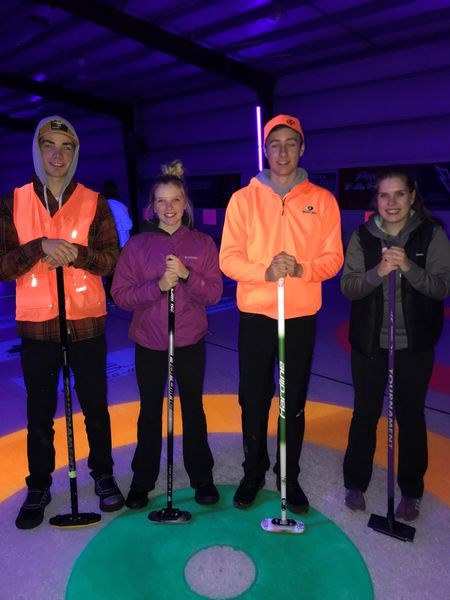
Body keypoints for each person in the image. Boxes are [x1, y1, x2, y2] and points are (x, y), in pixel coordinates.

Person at [0, 115, 125, 530]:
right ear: (37, 150)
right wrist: (39, 246)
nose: (58, 154)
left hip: (86, 321)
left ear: (75, 153)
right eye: (50, 145)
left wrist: (75, 252)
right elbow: (3, 266)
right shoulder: (12, 201)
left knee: (95, 406)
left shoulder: (94, 201)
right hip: (38, 326)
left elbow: (111, 258)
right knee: (39, 411)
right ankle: (38, 486)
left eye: (67, 146)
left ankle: (103, 475)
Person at [219, 114, 343, 513]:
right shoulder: (243, 199)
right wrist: (266, 272)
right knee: (253, 401)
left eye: (291, 143)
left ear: (302, 148)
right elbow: (228, 259)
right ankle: (253, 472)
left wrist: (303, 269)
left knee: (294, 402)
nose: (283, 151)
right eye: (275, 144)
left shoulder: (322, 200)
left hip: (300, 315)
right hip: (256, 314)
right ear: (265, 150)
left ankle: (290, 476)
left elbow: (333, 258)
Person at [111, 160, 222, 509]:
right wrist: (157, 286)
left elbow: (214, 294)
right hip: (150, 342)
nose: (169, 208)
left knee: (193, 409)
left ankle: (202, 477)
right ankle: (143, 479)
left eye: (175, 200)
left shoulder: (202, 243)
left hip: (189, 341)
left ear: (186, 203)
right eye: (162, 201)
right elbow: (121, 295)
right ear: (151, 206)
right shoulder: (138, 246)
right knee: (149, 411)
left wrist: (188, 276)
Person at [341, 166, 450, 521]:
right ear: (377, 199)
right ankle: (355, 482)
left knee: (411, 416)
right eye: (384, 195)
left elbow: (441, 288)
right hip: (371, 343)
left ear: (412, 196)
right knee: (365, 413)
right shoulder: (363, 237)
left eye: (399, 194)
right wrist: (379, 273)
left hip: (413, 345)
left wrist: (408, 268)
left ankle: (411, 491)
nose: (391, 202)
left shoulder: (431, 235)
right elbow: (349, 286)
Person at [101, 179, 133, 301]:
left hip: (107, 243)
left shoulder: (102, 204)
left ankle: (109, 296)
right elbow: (128, 225)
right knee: (120, 272)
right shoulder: (119, 205)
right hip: (121, 244)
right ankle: (116, 297)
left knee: (111, 271)